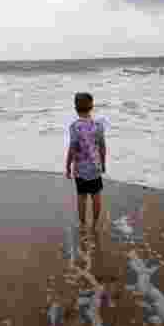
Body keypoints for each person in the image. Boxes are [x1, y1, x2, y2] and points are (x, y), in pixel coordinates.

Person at [64, 92, 107, 231]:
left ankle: (82, 224)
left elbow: (72, 148)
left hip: (80, 169)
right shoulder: (98, 125)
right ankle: (94, 224)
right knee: (96, 196)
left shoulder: (74, 127)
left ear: (75, 108)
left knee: (81, 197)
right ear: (92, 106)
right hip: (95, 167)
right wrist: (103, 163)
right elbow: (102, 146)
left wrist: (68, 165)